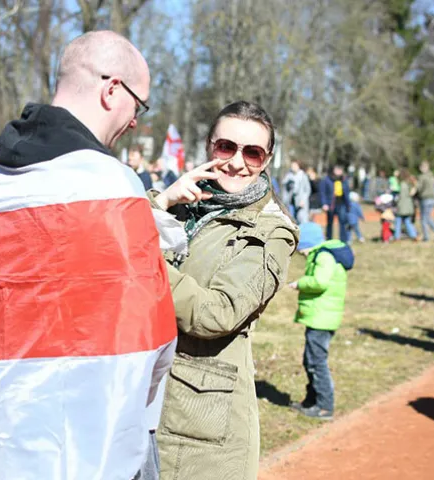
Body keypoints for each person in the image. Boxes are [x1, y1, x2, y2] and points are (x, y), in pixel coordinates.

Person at [0, 31, 175, 480]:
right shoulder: (115, 185)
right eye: (139, 105)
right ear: (111, 89)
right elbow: (153, 335)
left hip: (8, 426)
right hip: (98, 436)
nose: (135, 121)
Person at [151, 101, 298, 480]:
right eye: (226, 147)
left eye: (252, 152)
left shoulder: (271, 233)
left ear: (266, 160)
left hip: (199, 428)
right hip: (144, 396)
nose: (236, 161)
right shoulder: (186, 204)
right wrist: (163, 202)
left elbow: (217, 313)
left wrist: (147, 261)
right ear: (208, 146)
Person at [289, 221, 351, 420]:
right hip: (319, 317)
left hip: (322, 319)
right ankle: (311, 401)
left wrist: (300, 283)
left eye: (301, 250)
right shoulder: (321, 253)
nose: (301, 254)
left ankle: (324, 406)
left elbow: (320, 282)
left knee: (317, 362)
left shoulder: (323, 256)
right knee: (310, 361)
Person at [319, 165, 351, 243]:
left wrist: (348, 204)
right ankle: (329, 240)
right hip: (331, 204)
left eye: (340, 170)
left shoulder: (344, 179)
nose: (339, 171)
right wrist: (324, 204)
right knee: (330, 223)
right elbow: (322, 192)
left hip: (341, 204)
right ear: (333, 170)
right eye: (337, 169)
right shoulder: (327, 179)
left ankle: (344, 241)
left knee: (343, 222)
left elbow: (347, 192)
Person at [416, 162, 434, 242]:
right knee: (428, 217)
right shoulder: (432, 176)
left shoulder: (422, 177)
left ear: (422, 168)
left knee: (424, 218)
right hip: (432, 199)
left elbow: (419, 188)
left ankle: (427, 237)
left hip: (425, 198)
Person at [282, 160, 312, 224]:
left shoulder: (303, 176)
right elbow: (284, 184)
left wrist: (303, 200)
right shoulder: (289, 175)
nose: (293, 167)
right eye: (292, 166)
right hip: (290, 202)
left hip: (300, 202)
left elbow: (307, 190)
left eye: (295, 166)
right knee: (291, 220)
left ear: (299, 166)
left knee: (302, 219)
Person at [394, 169, 418, 241]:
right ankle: (413, 235)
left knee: (398, 221)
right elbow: (412, 193)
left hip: (401, 206)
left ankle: (397, 237)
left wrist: (395, 176)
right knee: (408, 221)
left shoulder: (400, 184)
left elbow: (396, 194)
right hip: (408, 206)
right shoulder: (409, 184)